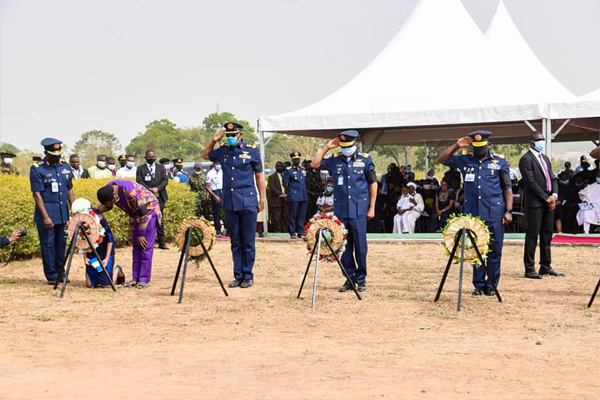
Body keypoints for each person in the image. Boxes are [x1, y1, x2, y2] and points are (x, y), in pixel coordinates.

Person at [438, 130, 513, 296]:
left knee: (494, 250)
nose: (479, 150)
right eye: (476, 147)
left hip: (494, 212)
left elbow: (507, 189)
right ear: (472, 146)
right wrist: (457, 145)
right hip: (473, 214)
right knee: (475, 249)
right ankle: (478, 284)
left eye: (482, 147)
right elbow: (441, 159)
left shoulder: (499, 162)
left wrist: (508, 211)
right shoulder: (464, 160)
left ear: (488, 145)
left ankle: (492, 284)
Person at [311, 129, 377, 292]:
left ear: (355, 144)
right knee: (344, 246)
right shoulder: (335, 160)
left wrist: (372, 207)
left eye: (348, 145)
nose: (346, 149)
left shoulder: (365, 160)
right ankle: (349, 278)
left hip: (359, 209)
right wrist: (327, 147)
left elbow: (373, 183)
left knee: (361, 247)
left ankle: (361, 279)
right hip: (341, 210)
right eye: (343, 146)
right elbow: (314, 164)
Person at [202, 121, 265, 289]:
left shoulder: (252, 151)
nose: (230, 138)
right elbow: (205, 155)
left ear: (240, 135)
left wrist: (262, 199)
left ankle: (247, 275)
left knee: (248, 241)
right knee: (235, 240)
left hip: (248, 201)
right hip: (229, 202)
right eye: (228, 136)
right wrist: (214, 140)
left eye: (233, 136)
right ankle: (238, 275)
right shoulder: (222, 151)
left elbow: (259, 177)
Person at [96, 181, 161, 288]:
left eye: (111, 202)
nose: (112, 205)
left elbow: (143, 212)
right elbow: (108, 206)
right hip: (134, 214)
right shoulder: (107, 190)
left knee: (145, 246)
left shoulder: (131, 191)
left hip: (149, 212)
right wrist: (94, 212)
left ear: (114, 195)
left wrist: (141, 234)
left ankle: (144, 279)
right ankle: (135, 278)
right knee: (136, 247)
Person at [519, 131, 564, 279]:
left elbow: (553, 177)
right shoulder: (526, 159)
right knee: (532, 235)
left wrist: (555, 195)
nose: (542, 142)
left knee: (547, 235)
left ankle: (545, 265)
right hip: (535, 203)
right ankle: (529, 268)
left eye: (543, 140)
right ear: (531, 142)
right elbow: (530, 182)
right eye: (539, 140)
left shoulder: (545, 158)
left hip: (548, 202)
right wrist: (546, 198)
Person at [30, 138, 74, 284]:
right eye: (54, 154)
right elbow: (37, 194)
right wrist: (45, 217)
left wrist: (74, 210)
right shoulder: (37, 169)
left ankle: (61, 273)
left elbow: (69, 189)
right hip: (47, 215)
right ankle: (52, 275)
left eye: (59, 154)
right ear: (46, 153)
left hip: (62, 214)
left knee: (61, 245)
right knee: (48, 246)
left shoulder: (65, 167)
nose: (57, 157)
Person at [136, 150, 169, 250]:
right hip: (146, 197)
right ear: (145, 157)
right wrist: (150, 190)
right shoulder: (140, 168)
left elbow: (165, 180)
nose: (151, 158)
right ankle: (147, 242)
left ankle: (162, 242)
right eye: (149, 156)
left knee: (159, 219)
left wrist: (157, 189)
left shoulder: (161, 167)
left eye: (153, 156)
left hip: (160, 196)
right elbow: (139, 181)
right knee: (146, 218)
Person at [283, 151, 309, 239]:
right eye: (295, 159)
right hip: (294, 195)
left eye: (298, 159)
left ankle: (300, 231)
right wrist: (290, 192)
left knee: (302, 214)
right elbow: (285, 183)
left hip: (303, 195)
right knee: (293, 214)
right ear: (292, 160)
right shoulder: (288, 170)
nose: (297, 161)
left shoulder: (302, 170)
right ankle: (292, 231)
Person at [576, 168, 600, 233]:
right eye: (598, 176)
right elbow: (584, 195)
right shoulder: (590, 186)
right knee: (586, 212)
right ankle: (586, 230)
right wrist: (585, 200)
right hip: (593, 205)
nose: (598, 177)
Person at [267, 161, 288, 233]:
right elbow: (272, 188)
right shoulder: (271, 177)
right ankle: (278, 232)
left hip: (285, 201)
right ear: (275, 167)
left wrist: (287, 194)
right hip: (276, 201)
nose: (280, 168)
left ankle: (285, 232)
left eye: (281, 166)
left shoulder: (285, 176)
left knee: (285, 217)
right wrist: (282, 195)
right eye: (278, 166)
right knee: (277, 218)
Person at [205, 159, 224, 236]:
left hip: (223, 191)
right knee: (217, 213)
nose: (218, 165)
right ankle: (218, 230)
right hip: (215, 192)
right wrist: (215, 196)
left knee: (226, 211)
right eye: (217, 163)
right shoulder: (210, 173)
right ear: (214, 164)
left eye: (219, 163)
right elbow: (207, 187)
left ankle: (228, 229)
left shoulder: (222, 171)